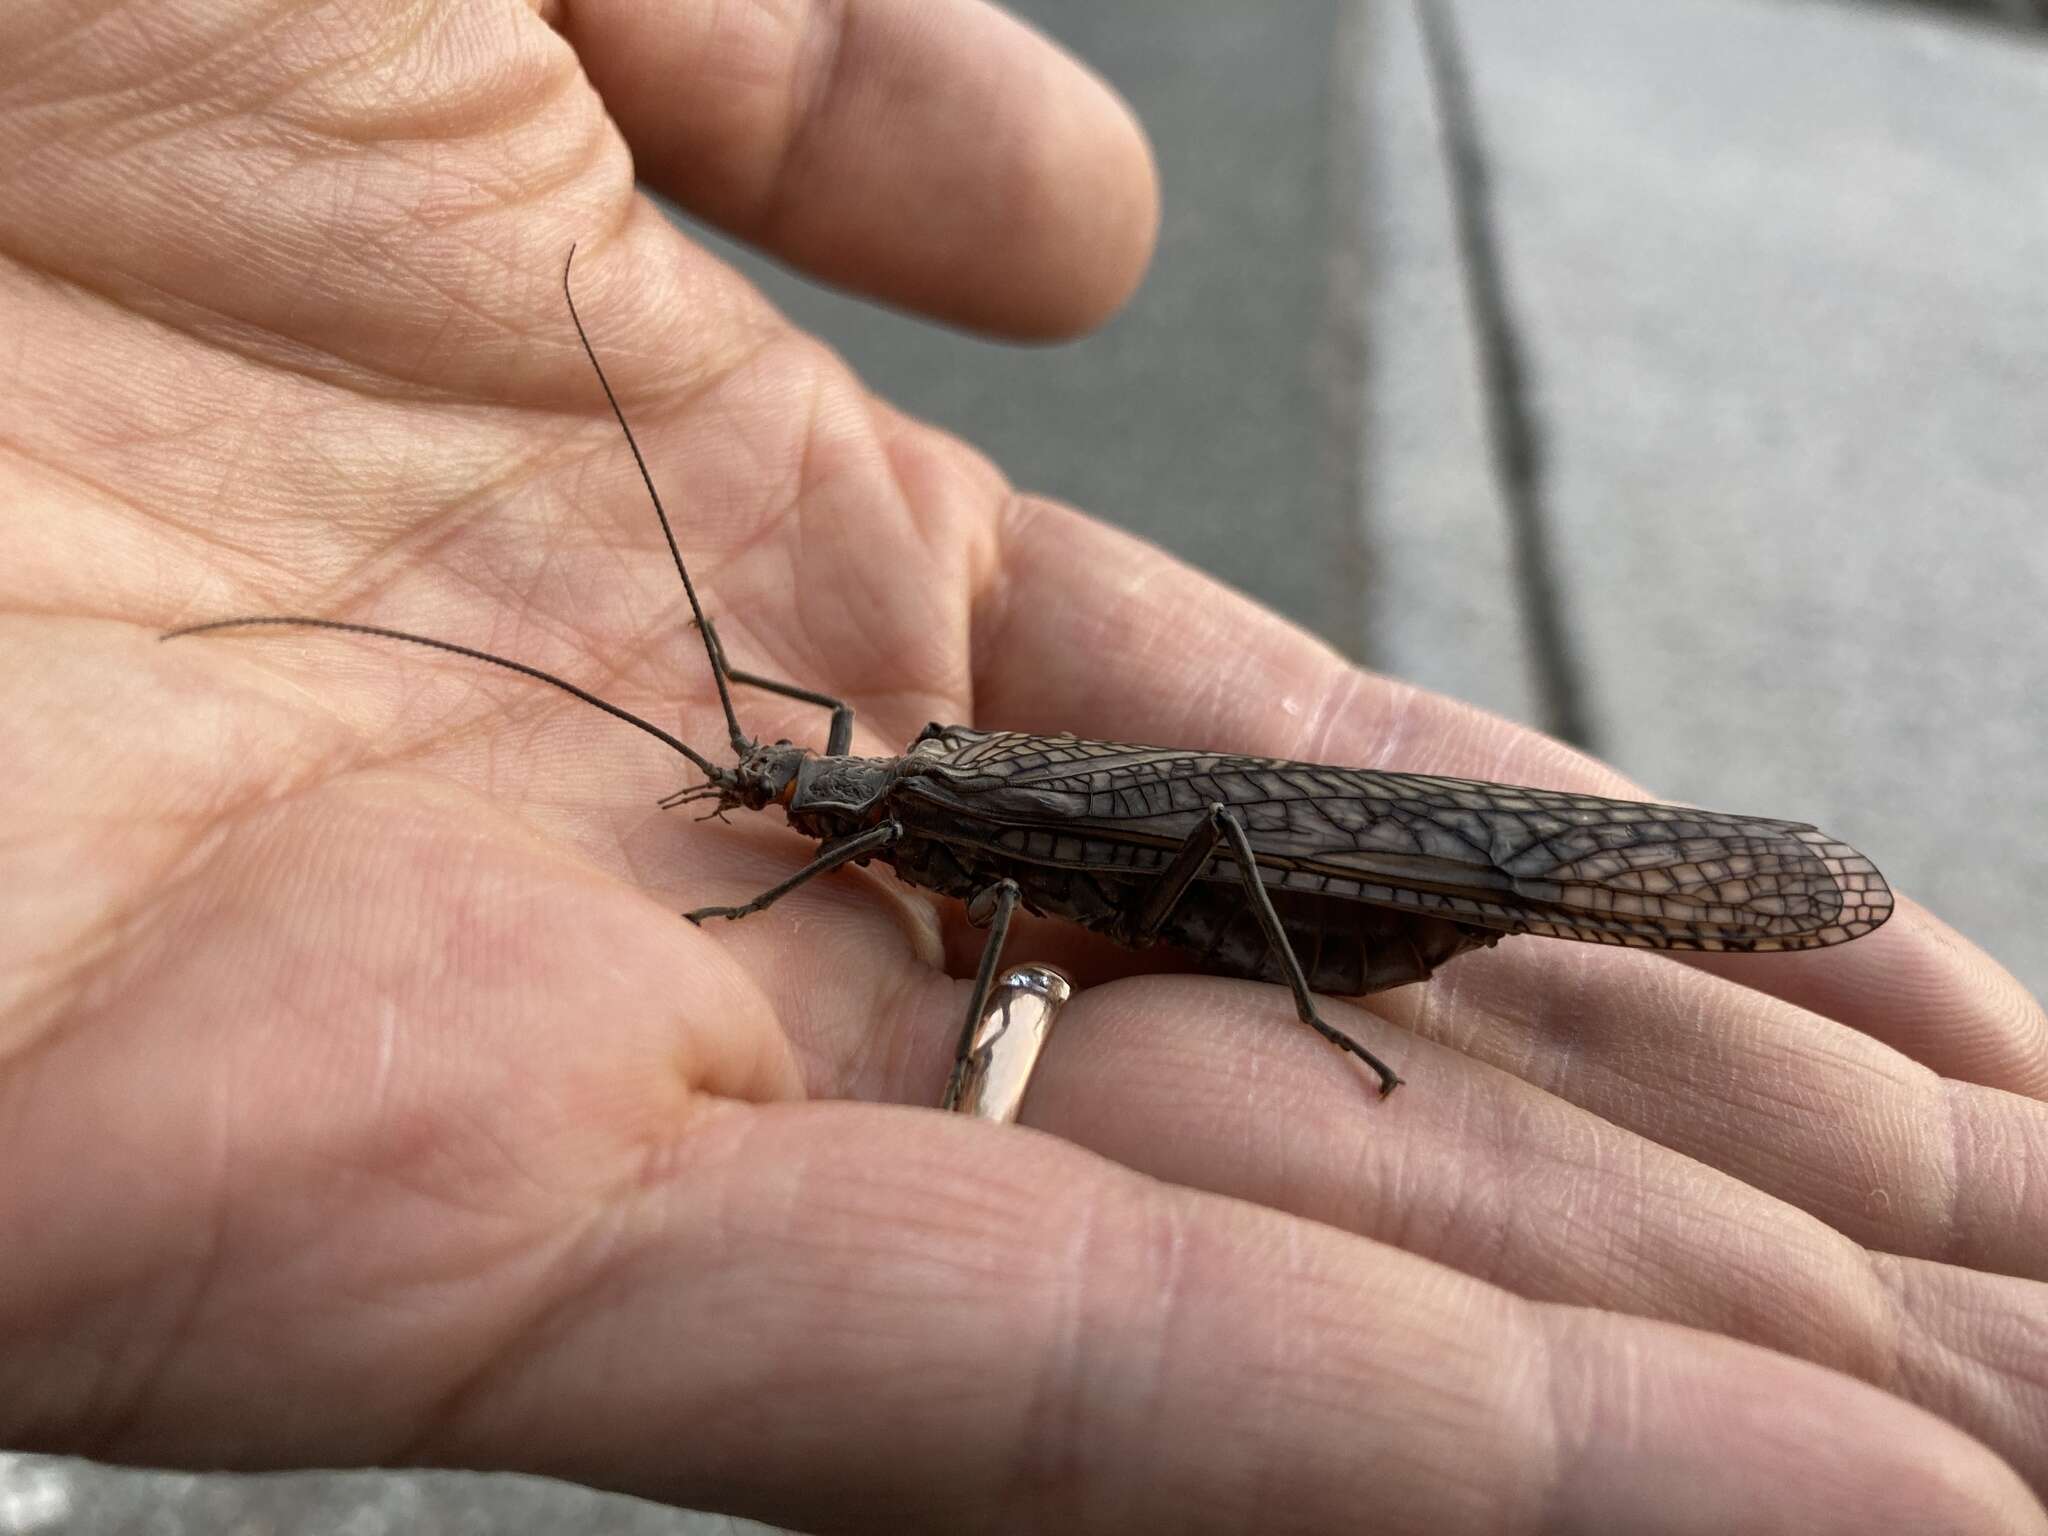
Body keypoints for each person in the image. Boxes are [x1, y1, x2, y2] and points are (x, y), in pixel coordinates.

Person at [2, 2, 2043, 1530]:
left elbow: (914, 860)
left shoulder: (917, 826)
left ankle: (1459, 949)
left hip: (1308, 886)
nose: (781, 820)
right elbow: (824, 799)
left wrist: (792, 877)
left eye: (793, 812)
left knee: (1264, 845)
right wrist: (768, 809)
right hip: (1218, 847)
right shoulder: (878, 794)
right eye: (785, 807)